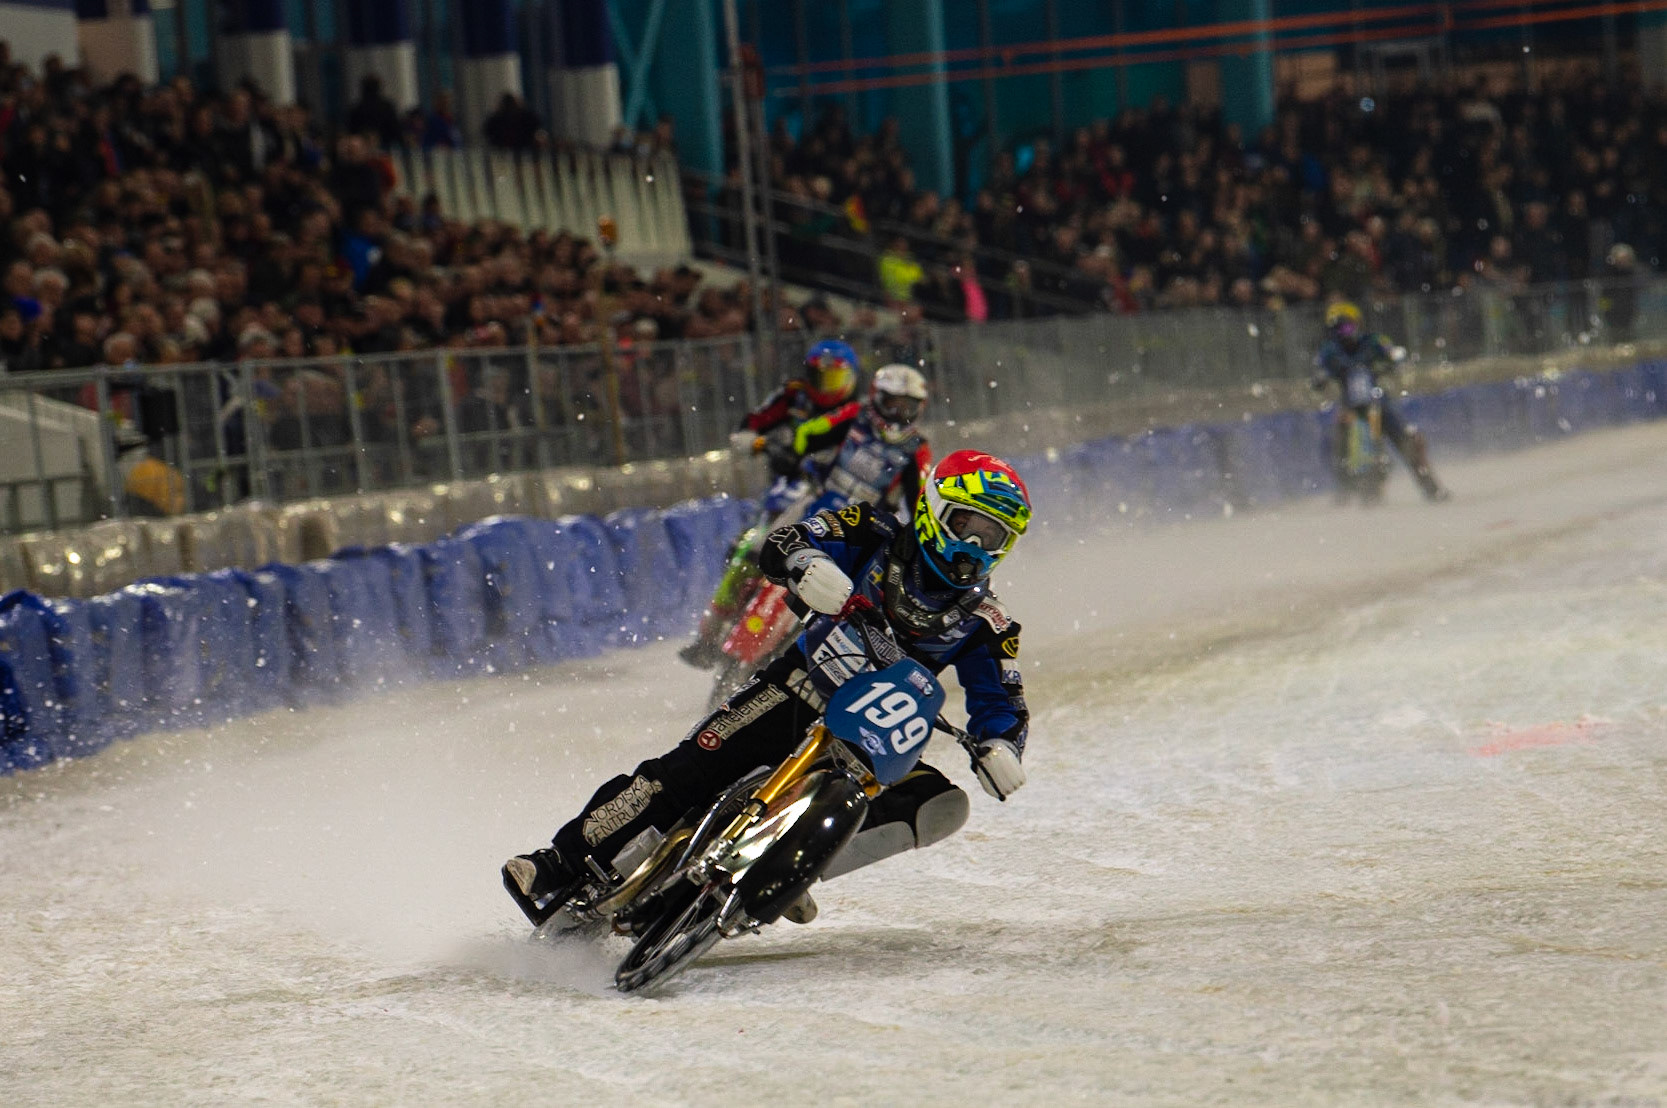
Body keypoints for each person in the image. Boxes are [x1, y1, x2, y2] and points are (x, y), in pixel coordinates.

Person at [504, 449, 1033, 927]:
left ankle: (794, 866)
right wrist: (806, 565)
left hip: (874, 745)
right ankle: (559, 861)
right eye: (968, 526)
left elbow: (1002, 700)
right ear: (934, 510)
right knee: (688, 770)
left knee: (939, 803)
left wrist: (1002, 745)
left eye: (993, 538)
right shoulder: (871, 529)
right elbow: (788, 540)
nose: (975, 547)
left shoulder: (990, 623)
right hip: (796, 689)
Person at [680, 363, 932, 669]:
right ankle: (709, 636)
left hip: (862, 532)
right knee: (752, 552)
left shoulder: (917, 449)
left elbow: (922, 502)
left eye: (907, 406)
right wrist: (790, 450)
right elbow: (810, 433)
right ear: (877, 397)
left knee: (860, 600)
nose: (897, 413)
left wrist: (919, 539)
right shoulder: (855, 415)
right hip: (814, 506)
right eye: (892, 403)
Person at [1311, 301, 1449, 502]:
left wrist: (1392, 364)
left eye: (1348, 326)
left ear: (1357, 324)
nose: (1344, 333)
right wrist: (1321, 378)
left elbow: (1394, 355)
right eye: (1338, 328)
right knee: (1339, 443)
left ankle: (1431, 489)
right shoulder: (1329, 350)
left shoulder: (1374, 341)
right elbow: (1318, 371)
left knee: (1408, 442)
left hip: (1378, 403)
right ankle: (1345, 489)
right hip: (1350, 407)